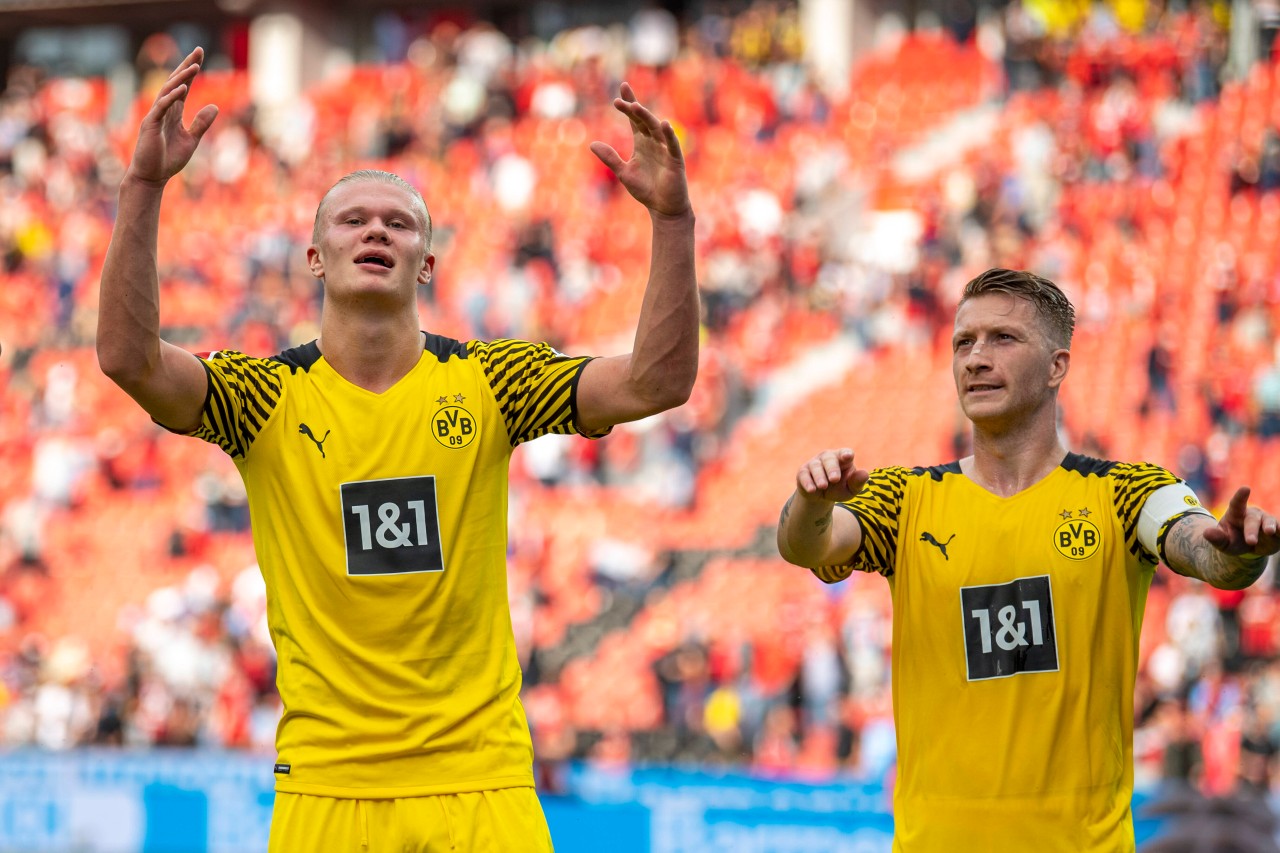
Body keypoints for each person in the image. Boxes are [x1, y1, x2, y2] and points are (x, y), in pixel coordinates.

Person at [97, 47, 697, 851]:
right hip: (328, 788)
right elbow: (129, 360)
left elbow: (658, 381)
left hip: (480, 783)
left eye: (400, 222)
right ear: (315, 257)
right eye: (352, 219)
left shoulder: (491, 380)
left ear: (427, 263)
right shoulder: (262, 397)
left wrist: (672, 221)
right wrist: (142, 189)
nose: (376, 229)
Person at [776, 268, 1280, 852]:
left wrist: (1237, 557)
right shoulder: (904, 498)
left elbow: (1198, 545)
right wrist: (810, 502)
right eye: (963, 342)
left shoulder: (1124, 491)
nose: (976, 359)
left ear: (1056, 366)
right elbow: (807, 544)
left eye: (1003, 339)